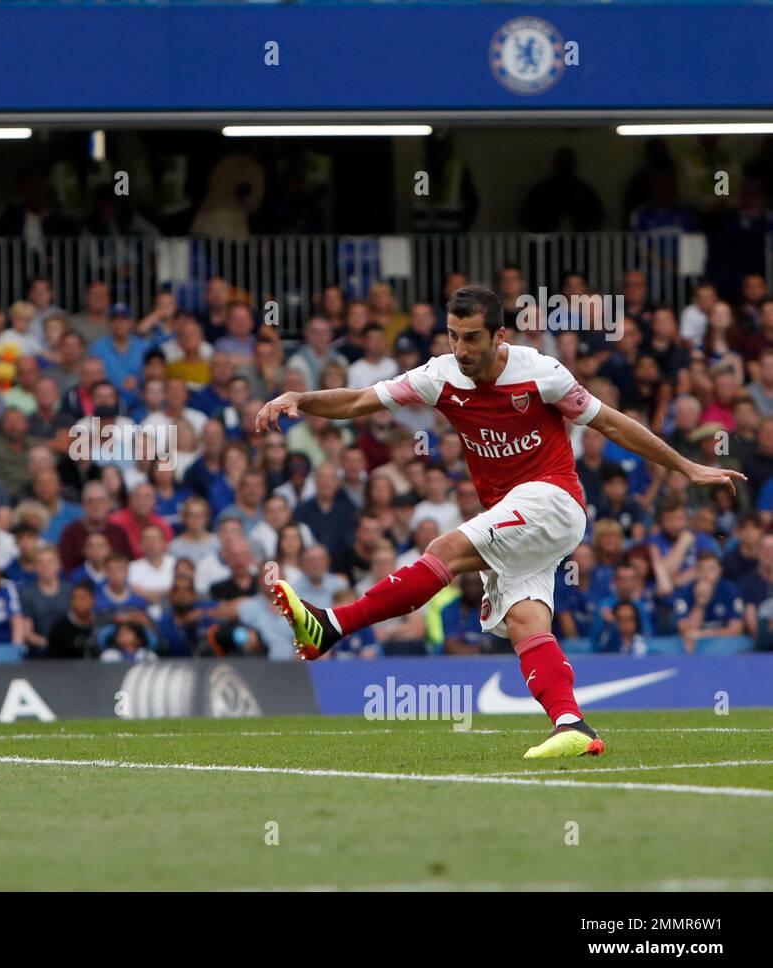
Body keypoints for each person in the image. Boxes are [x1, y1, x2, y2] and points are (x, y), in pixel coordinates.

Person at [258, 285, 744, 759]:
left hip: (554, 500)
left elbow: (611, 423)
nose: (460, 348)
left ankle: (332, 624)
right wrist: (300, 397)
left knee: (445, 551)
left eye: (471, 337)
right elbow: (359, 400)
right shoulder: (440, 375)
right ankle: (572, 724)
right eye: (453, 335)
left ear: (499, 337)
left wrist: (688, 466)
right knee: (524, 622)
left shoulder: (541, 373)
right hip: (514, 516)